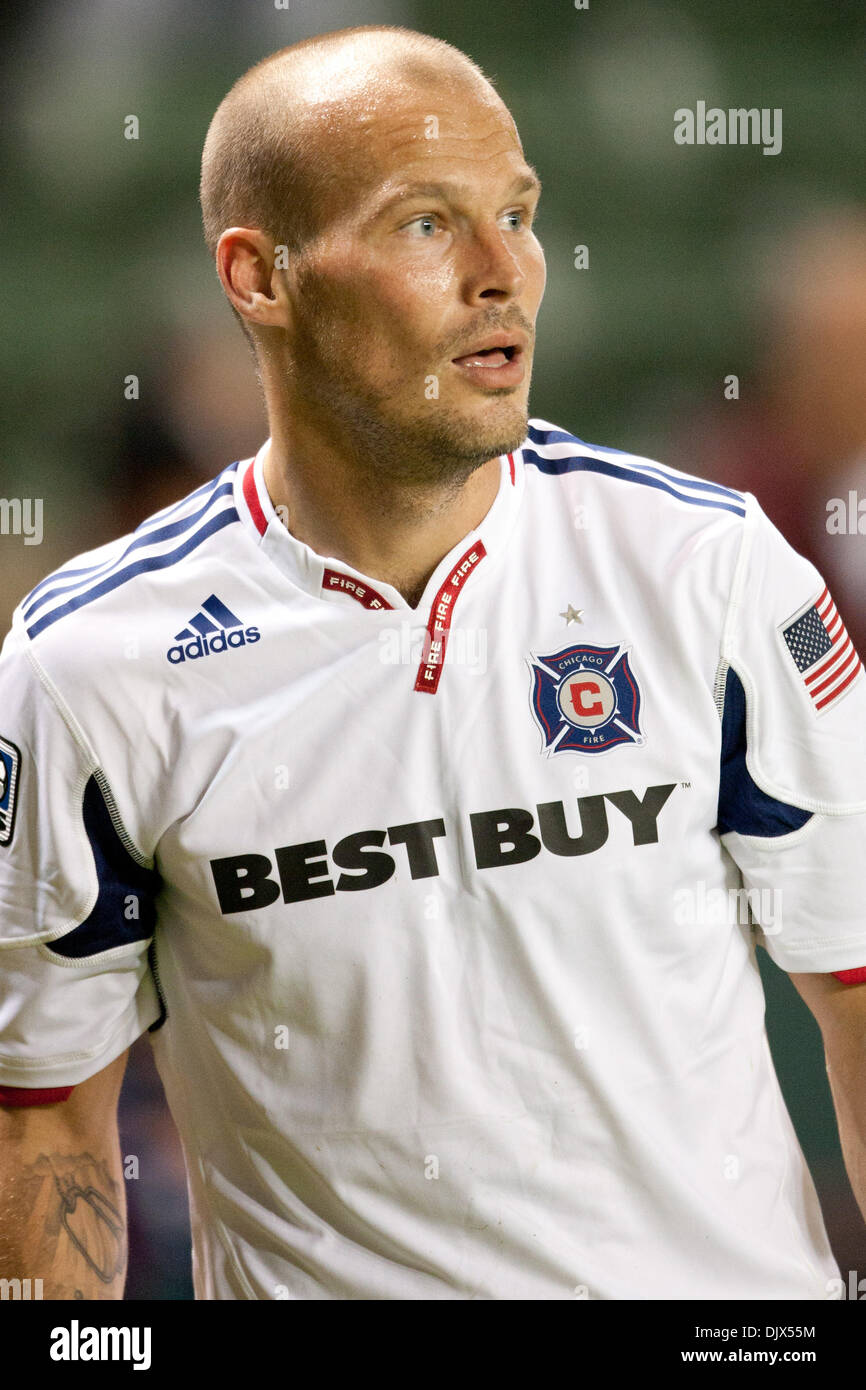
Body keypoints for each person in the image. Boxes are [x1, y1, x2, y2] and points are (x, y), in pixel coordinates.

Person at [0, 24, 864, 1302]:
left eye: (516, 213)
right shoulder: (88, 662)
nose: (504, 271)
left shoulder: (711, 568)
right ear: (259, 276)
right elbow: (45, 1118)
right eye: (424, 224)